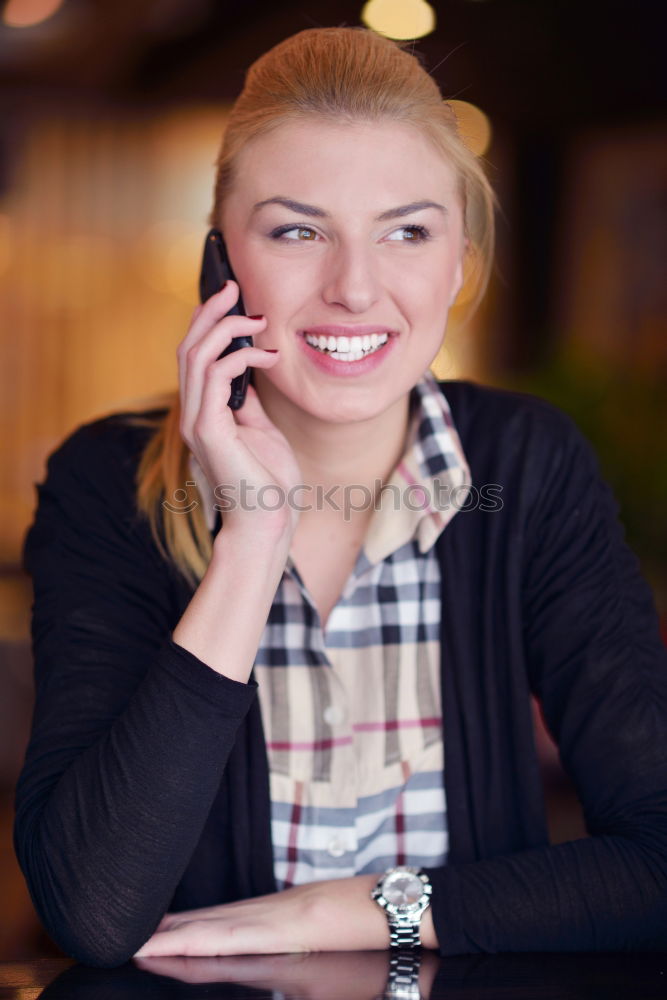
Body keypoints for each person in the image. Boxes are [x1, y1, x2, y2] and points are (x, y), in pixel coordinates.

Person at [14, 26, 667, 969]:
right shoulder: (106, 483)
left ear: (457, 263)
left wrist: (356, 909)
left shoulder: (522, 468)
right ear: (221, 264)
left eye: (406, 231)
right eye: (295, 230)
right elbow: (92, 907)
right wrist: (251, 537)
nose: (355, 288)